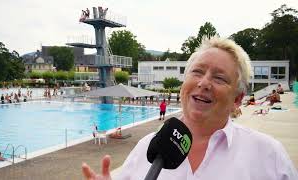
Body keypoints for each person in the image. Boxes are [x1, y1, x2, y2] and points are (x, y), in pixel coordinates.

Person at [81, 37, 298, 179]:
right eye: (197, 72)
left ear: (237, 99)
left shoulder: (269, 157)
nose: (203, 83)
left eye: (219, 78)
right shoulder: (145, 148)